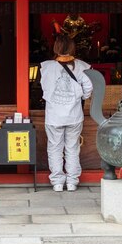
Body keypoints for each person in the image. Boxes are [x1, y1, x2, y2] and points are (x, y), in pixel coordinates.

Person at [40, 34, 93, 192]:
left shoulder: (46, 67)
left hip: (54, 116)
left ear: (56, 48)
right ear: (72, 48)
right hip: (74, 115)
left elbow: (44, 88)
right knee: (72, 147)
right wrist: (82, 97)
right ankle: (72, 181)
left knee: (55, 147)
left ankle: (57, 181)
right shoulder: (81, 66)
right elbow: (89, 88)